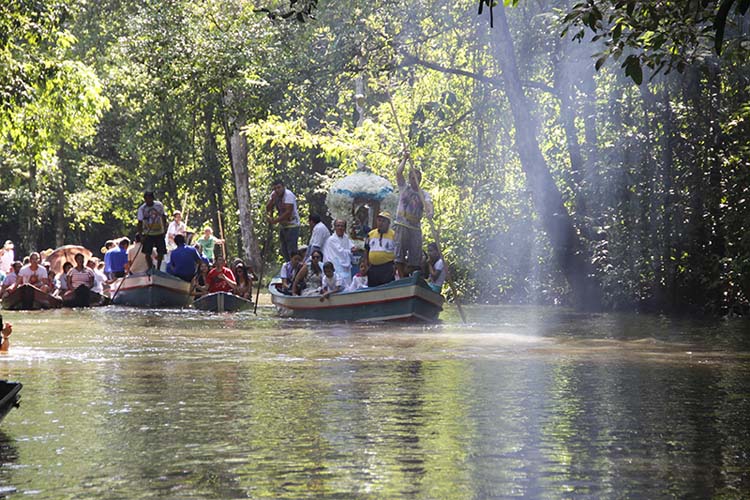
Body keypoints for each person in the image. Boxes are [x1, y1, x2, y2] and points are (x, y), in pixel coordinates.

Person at [393, 150, 433, 279]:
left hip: (415, 226)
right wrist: (404, 159)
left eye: (417, 178)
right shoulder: (404, 188)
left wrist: (430, 212)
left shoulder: (424, 193)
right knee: (399, 253)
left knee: (415, 256)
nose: (415, 181)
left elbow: (428, 204)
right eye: (412, 178)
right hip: (402, 223)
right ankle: (401, 277)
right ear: (409, 179)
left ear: (420, 180)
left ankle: (407, 275)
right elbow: (398, 173)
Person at [265, 180, 300, 262]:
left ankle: (295, 268)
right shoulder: (274, 195)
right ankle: (288, 267)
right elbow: (268, 208)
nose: (277, 190)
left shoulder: (288, 195)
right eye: (275, 188)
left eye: (279, 187)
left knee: (292, 250)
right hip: (283, 226)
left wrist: (275, 221)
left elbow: (288, 212)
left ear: (283, 187)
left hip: (293, 225)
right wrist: (272, 200)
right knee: (284, 250)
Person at [136, 191, 168, 271]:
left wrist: (165, 229)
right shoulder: (142, 209)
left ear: (153, 198)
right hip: (148, 233)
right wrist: (141, 235)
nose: (148, 201)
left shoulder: (159, 205)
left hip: (159, 232)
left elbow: (163, 217)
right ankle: (150, 268)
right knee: (147, 253)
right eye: (146, 199)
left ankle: (158, 268)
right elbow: (139, 223)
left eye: (149, 199)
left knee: (161, 252)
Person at [322, 219, 357, 289]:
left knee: (347, 286)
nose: (340, 228)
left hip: (346, 268)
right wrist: (350, 251)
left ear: (345, 228)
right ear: (334, 227)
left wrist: (353, 248)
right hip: (336, 266)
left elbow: (351, 245)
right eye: (338, 226)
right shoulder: (331, 240)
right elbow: (340, 251)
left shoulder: (346, 237)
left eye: (342, 226)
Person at [364, 211, 396, 287]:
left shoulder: (394, 235)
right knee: (372, 290)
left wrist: (396, 266)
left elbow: (398, 251)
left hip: (387, 268)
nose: (381, 223)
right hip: (373, 268)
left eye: (383, 221)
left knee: (387, 289)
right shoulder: (370, 234)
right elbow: (366, 249)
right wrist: (366, 264)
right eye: (379, 220)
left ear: (388, 223)